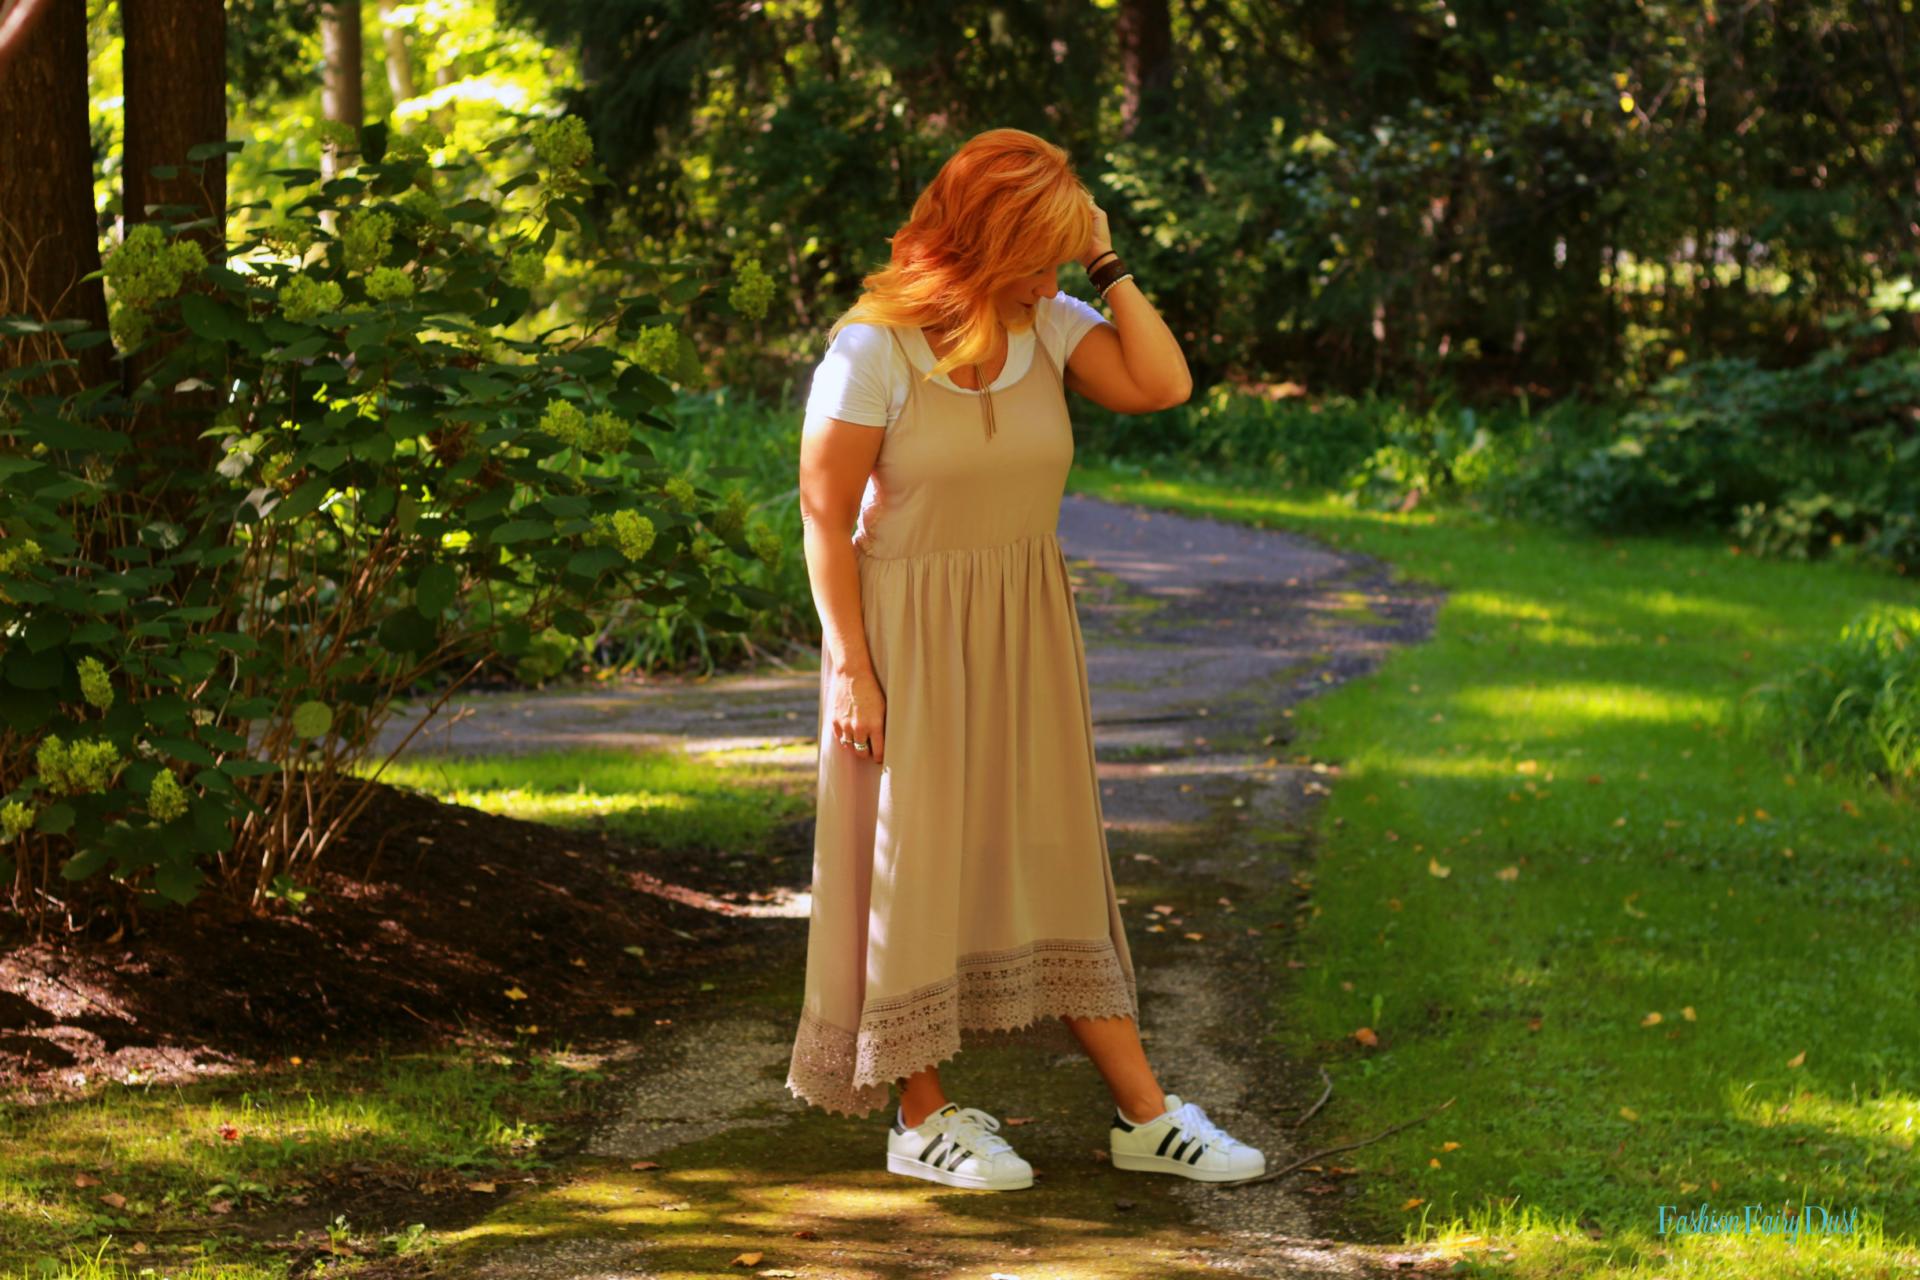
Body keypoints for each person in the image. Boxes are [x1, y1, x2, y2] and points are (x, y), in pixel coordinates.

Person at [787, 127, 1265, 1191]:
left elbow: (1162, 385)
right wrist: (852, 668)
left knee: (1051, 857)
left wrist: (1109, 262)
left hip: (1025, 628)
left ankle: (1145, 1114)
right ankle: (920, 1115)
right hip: (902, 637)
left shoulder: (1053, 322)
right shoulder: (872, 349)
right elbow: (823, 519)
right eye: (1041, 244)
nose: (1053, 267)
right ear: (987, 235)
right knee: (911, 870)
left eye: (1066, 247)